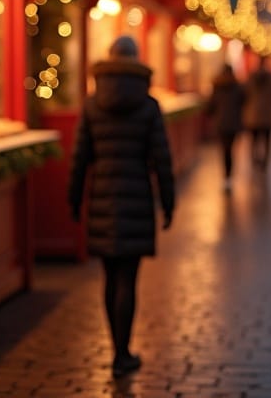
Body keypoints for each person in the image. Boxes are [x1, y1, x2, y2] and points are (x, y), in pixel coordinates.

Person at [67, 35, 175, 378]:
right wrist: (169, 202)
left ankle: (116, 347)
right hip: (137, 199)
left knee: (109, 278)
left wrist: (74, 199)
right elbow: (162, 159)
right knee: (128, 278)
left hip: (102, 197)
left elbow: (80, 158)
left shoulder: (91, 104)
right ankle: (122, 354)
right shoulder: (149, 105)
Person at [242, 55, 271, 172]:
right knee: (267, 140)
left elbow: (243, 94)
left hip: (252, 114)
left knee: (254, 140)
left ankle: (255, 159)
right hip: (268, 114)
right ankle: (265, 162)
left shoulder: (250, 78)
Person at [206, 63, 244, 192]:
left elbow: (211, 105)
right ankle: (229, 176)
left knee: (224, 150)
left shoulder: (217, 87)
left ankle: (226, 176)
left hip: (221, 122)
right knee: (230, 149)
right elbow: (244, 101)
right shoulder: (238, 86)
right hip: (234, 122)